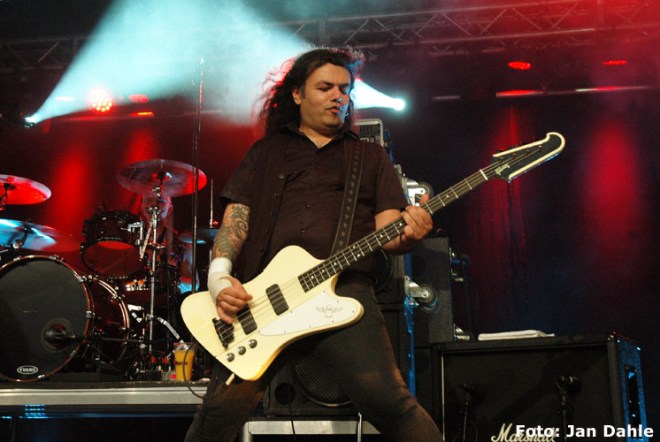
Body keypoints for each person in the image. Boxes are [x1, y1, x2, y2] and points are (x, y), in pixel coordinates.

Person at [185, 47, 443, 442]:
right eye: (325, 87)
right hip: (265, 299)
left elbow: (391, 234)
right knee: (219, 412)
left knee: (391, 404)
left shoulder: (369, 157)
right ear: (297, 94)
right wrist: (219, 279)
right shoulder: (266, 152)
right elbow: (237, 220)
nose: (338, 96)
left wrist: (412, 232)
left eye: (344, 89)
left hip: (345, 291)